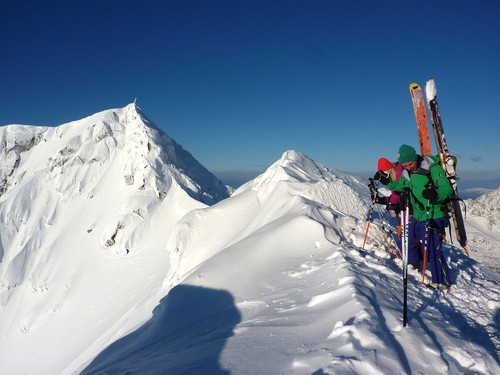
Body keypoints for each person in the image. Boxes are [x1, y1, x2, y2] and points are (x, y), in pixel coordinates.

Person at [377, 144, 453, 290]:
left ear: (415, 158)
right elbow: (402, 187)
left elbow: (446, 188)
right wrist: (388, 182)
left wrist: (436, 194)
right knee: (407, 240)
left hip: (433, 215)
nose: (408, 167)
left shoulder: (432, 169)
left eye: (410, 164)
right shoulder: (406, 173)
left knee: (431, 249)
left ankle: (442, 281)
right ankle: (412, 265)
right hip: (417, 215)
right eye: (405, 166)